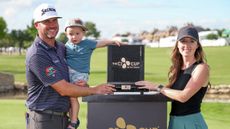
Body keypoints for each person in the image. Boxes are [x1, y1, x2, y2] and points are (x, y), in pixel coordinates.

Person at [25, 3, 115, 129]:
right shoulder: (37, 54)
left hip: (63, 118)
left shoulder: (61, 47)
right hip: (44, 120)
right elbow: (64, 89)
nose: (52, 25)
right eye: (46, 21)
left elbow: (70, 81)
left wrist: (84, 85)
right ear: (37, 25)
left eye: (54, 20)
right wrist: (94, 90)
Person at [135, 26, 209, 129]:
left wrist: (157, 87)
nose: (187, 45)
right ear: (178, 44)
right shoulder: (176, 69)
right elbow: (170, 94)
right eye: (183, 41)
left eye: (191, 41)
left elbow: (183, 96)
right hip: (174, 122)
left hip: (191, 123)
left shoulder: (201, 68)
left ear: (197, 45)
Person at [64, 18, 123, 129]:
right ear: (66, 34)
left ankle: (73, 121)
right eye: (70, 34)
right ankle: (70, 118)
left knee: (72, 97)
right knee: (68, 97)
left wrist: (112, 41)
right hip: (68, 73)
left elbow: (102, 43)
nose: (74, 37)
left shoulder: (88, 43)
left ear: (83, 33)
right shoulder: (66, 46)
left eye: (77, 33)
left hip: (80, 74)